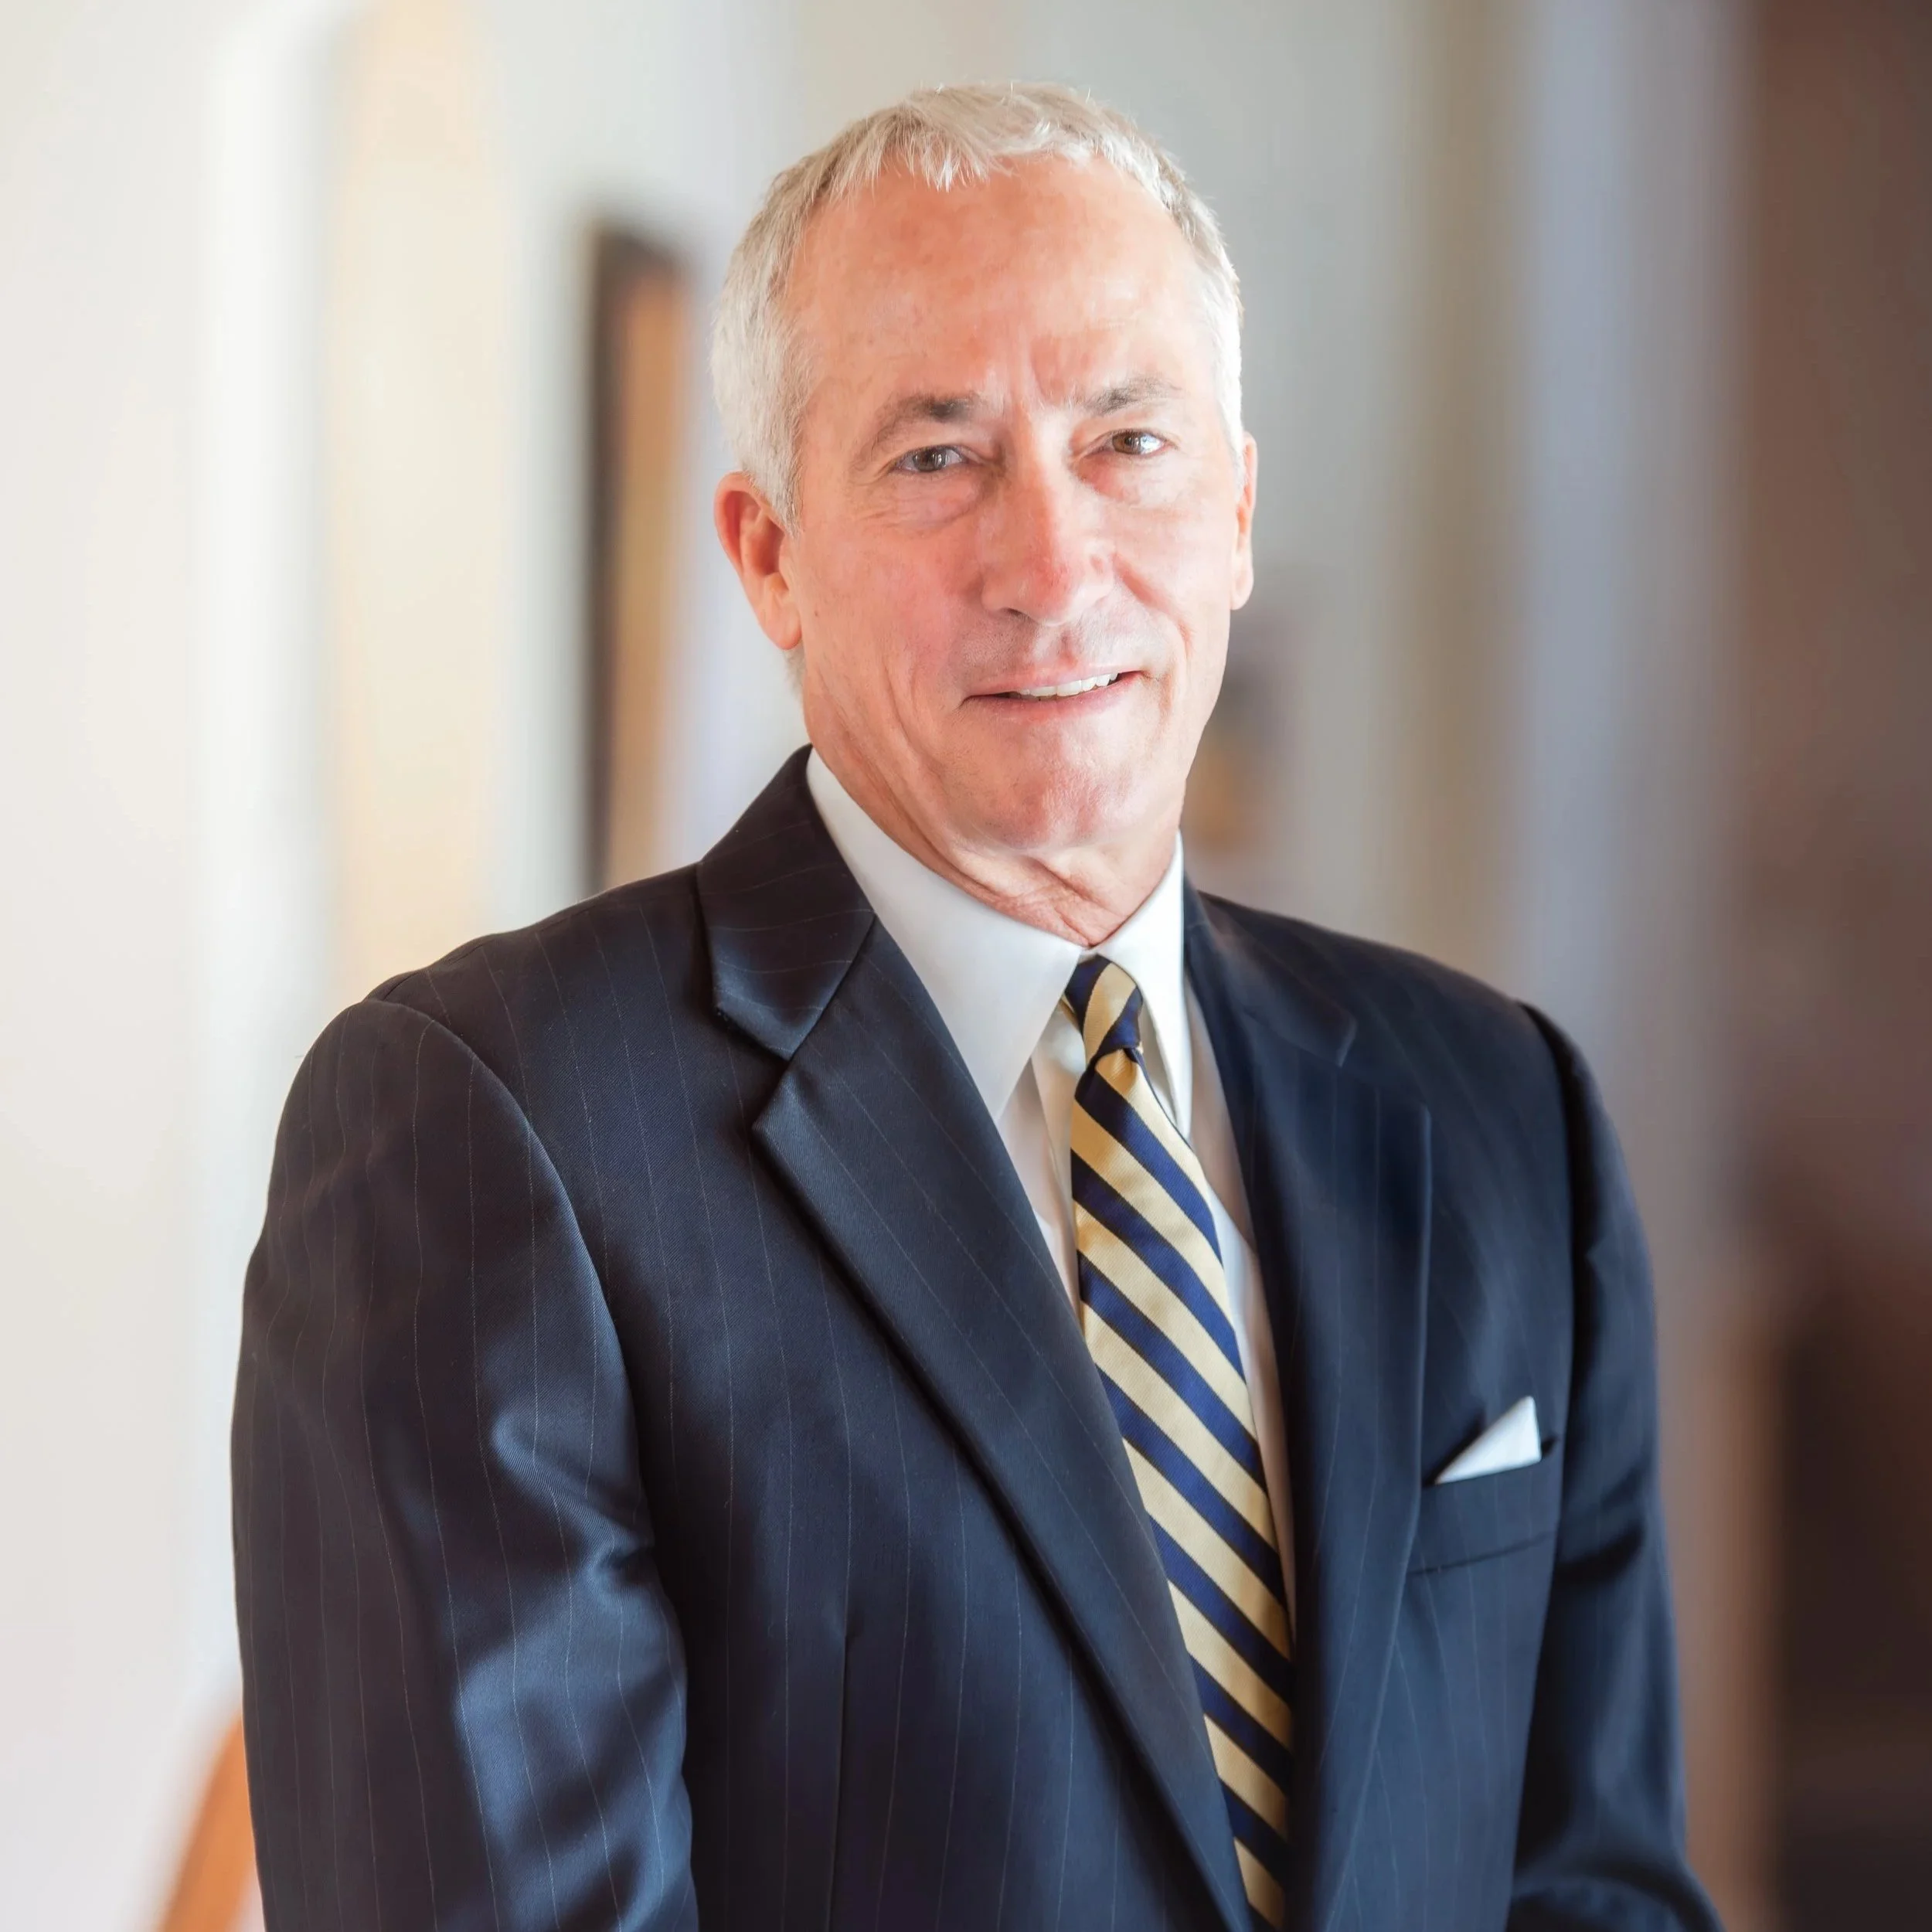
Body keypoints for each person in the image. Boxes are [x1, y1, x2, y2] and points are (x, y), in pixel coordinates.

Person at [233, 82, 1720, 1932]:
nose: (1051, 564)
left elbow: (1593, 1883)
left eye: (1129, 441)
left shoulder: (1502, 1112)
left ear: (1237, 509)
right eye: (936, 457)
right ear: (766, 553)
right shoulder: (487, 1130)